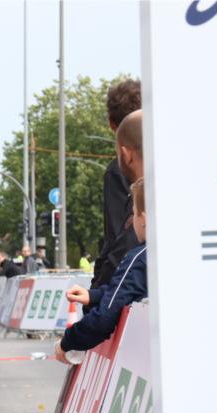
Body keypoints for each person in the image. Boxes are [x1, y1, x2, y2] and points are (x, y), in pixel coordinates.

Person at [55, 176, 148, 362]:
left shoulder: (139, 257)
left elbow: (103, 320)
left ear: (143, 218)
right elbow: (125, 292)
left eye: (133, 214)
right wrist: (94, 296)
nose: (132, 222)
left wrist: (65, 343)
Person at [91, 80, 141, 297]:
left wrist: (97, 293)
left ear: (112, 124)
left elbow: (120, 239)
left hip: (129, 286)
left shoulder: (119, 170)